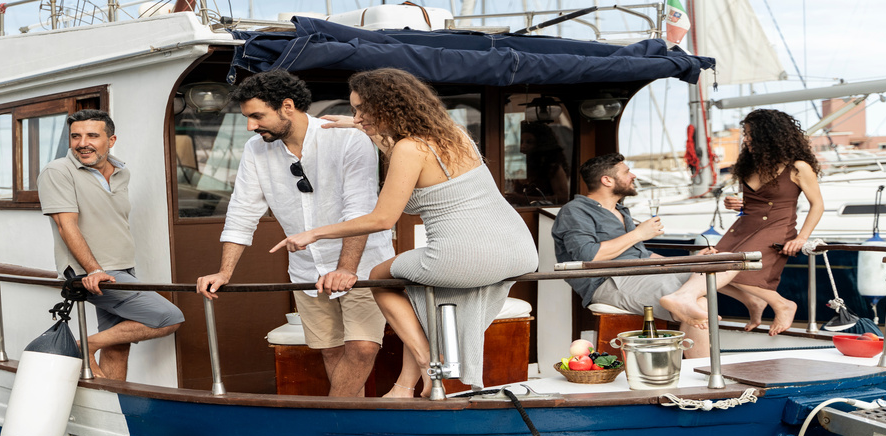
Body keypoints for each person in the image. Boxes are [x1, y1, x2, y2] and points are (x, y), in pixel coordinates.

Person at [272, 68, 538, 397]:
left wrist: (314, 234)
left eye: (360, 110)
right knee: (423, 291)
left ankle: (429, 364)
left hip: (466, 253)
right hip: (517, 248)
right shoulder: (453, 134)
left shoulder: (409, 149)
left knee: (380, 276)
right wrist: (355, 125)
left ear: (386, 107)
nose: (356, 118)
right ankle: (406, 386)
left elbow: (383, 219)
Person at [195, 70, 393, 397]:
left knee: (362, 348)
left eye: (257, 116)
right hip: (306, 270)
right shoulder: (255, 150)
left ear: (287, 106)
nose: (250, 126)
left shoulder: (347, 137)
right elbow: (243, 211)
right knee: (330, 349)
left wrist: (346, 268)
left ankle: (331, 424)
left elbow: (360, 208)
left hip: (362, 265)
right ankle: (351, 426)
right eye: (246, 118)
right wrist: (225, 271)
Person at [38, 109, 183, 380]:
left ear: (111, 140)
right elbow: (65, 225)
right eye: (76, 136)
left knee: (117, 345)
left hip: (123, 269)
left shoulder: (121, 173)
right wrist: (93, 270)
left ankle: (112, 402)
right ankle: (83, 346)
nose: (83, 143)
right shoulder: (57, 171)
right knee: (169, 318)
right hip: (90, 272)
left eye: (93, 135)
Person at [552, 153, 741, 358]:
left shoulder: (621, 210)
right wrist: (638, 233)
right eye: (626, 172)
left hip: (644, 273)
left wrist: (690, 260)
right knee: (700, 303)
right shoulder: (575, 211)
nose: (633, 175)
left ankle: (683, 297)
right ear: (607, 180)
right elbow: (587, 256)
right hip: (610, 281)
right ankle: (702, 377)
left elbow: (641, 254)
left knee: (728, 260)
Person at [718, 109, 825, 335]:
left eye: (750, 134)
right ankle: (754, 302)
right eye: (745, 134)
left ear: (769, 135)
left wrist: (802, 237)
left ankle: (782, 305)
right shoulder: (749, 166)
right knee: (708, 269)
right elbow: (751, 204)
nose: (745, 139)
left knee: (734, 269)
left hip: (777, 228)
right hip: (744, 228)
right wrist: (735, 205)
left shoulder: (798, 167)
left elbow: (818, 205)